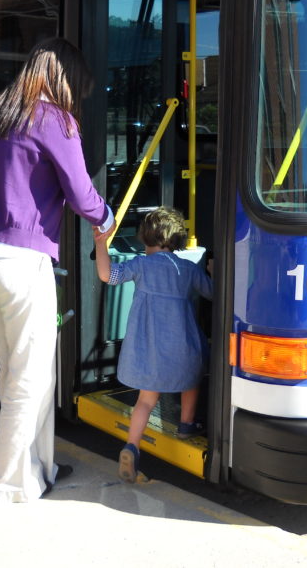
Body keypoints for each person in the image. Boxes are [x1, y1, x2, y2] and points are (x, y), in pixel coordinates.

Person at [0, 38, 113, 504]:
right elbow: (80, 193)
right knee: (31, 374)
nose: (77, 99)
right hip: (21, 258)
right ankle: (11, 485)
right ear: (66, 80)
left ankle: (41, 467)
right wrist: (107, 218)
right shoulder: (55, 119)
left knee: (16, 368)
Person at [92, 207, 212, 483]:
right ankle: (186, 424)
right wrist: (214, 272)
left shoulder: (141, 265)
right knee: (191, 380)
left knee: (146, 400)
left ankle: (131, 446)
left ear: (144, 238)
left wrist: (100, 244)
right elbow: (213, 294)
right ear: (177, 239)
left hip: (149, 346)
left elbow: (107, 275)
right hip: (182, 344)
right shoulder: (187, 268)